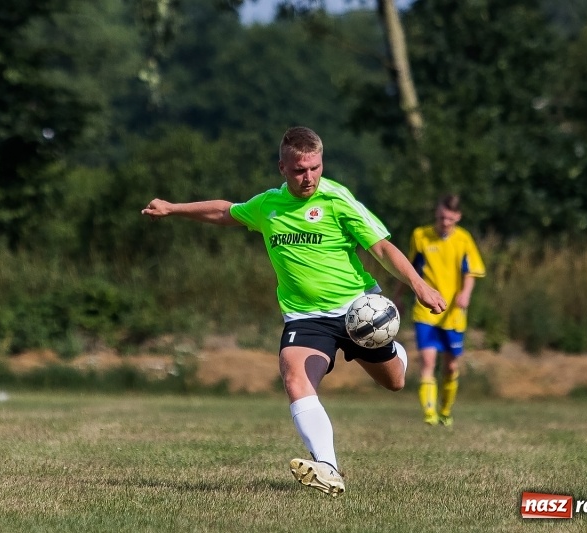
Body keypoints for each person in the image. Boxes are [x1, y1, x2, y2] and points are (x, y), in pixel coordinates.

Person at [141, 127, 446, 496]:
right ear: (282, 168)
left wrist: (419, 285)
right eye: (300, 170)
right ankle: (328, 467)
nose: (309, 177)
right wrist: (173, 208)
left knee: (394, 382)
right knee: (294, 375)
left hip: (358, 313)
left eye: (315, 168)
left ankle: (395, 351)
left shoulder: (338, 199)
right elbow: (226, 211)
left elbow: (382, 249)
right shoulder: (269, 205)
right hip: (305, 318)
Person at [394, 195, 485, 427]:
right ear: (437, 214)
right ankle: (429, 415)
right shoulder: (420, 236)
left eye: (450, 218)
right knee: (427, 361)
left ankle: (445, 410)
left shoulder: (464, 239)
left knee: (451, 365)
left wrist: (465, 293)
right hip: (426, 311)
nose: (445, 222)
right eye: (441, 217)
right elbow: (409, 269)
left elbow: (471, 271)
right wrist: (398, 297)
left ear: (458, 217)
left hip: (453, 313)